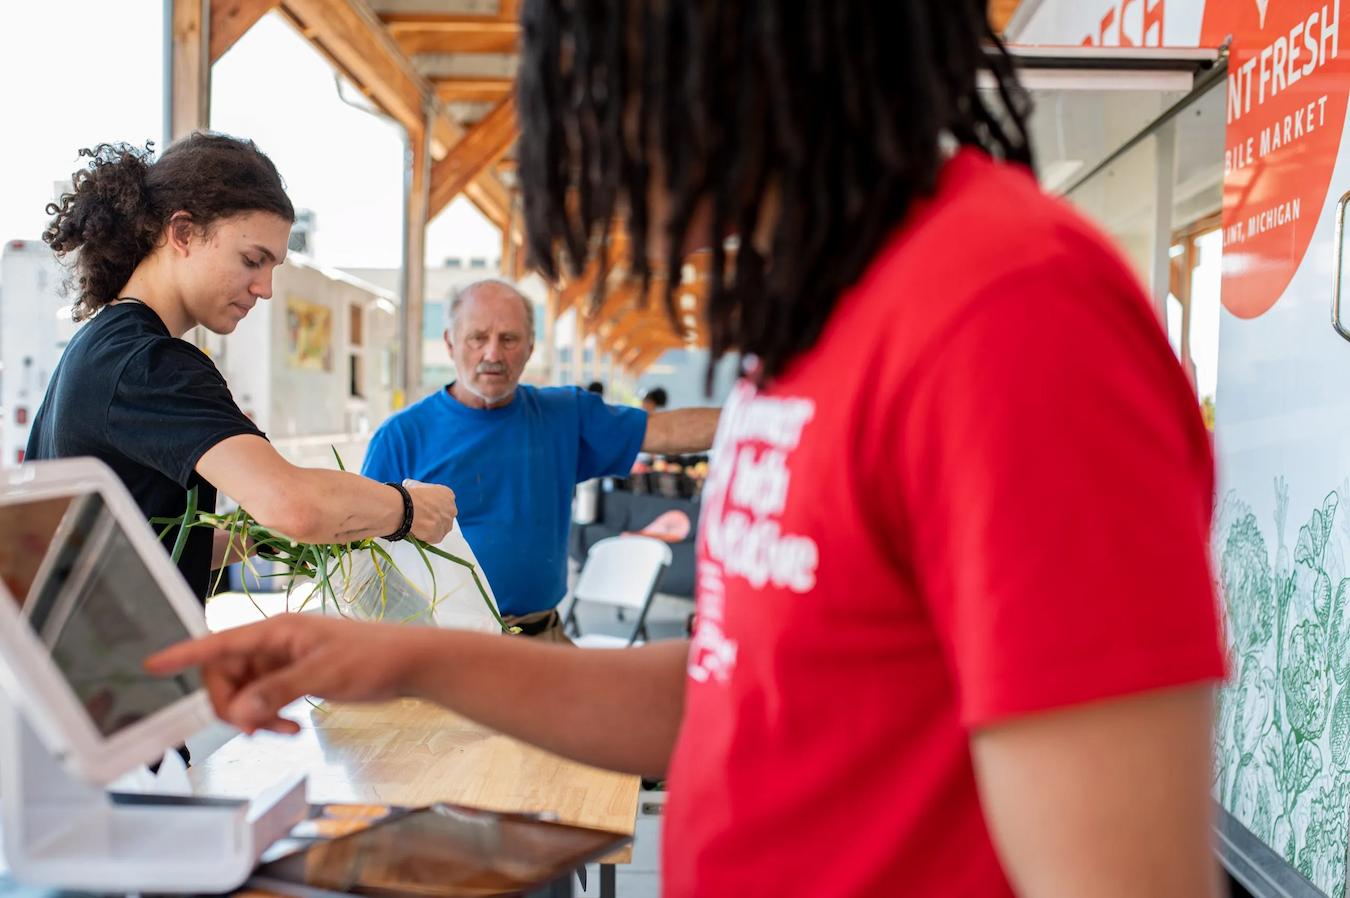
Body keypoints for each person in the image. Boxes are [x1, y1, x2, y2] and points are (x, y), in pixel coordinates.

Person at [147, 4, 1225, 896]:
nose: (581, 151)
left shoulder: (1011, 315)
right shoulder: (808, 319)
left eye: (595, 82)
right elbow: (744, 691)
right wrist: (404, 657)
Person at [28, 134, 458, 603]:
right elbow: (293, 504)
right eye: (253, 260)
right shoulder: (151, 364)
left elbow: (148, 548)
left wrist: (254, 538)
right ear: (183, 232)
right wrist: (408, 507)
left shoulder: (99, 345)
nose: (265, 289)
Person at [360, 279, 719, 640]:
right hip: (445, 650)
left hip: (543, 637)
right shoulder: (402, 436)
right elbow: (362, 560)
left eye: (509, 339)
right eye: (477, 337)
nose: (493, 354)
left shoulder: (564, 415)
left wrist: (766, 417)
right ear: (451, 343)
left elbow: (665, 431)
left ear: (531, 346)